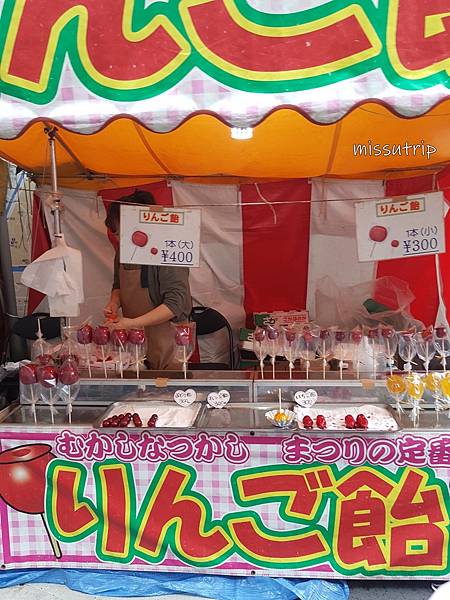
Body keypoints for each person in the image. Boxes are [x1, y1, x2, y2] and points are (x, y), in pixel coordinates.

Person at [103, 189, 192, 370]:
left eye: (121, 233)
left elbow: (175, 304)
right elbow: (118, 284)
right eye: (117, 235)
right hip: (135, 342)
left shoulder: (167, 250)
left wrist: (132, 323)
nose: (119, 240)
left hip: (168, 339)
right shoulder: (123, 251)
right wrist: (114, 301)